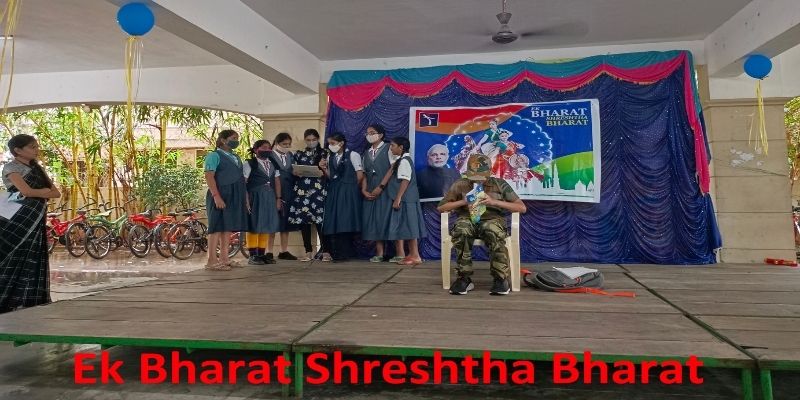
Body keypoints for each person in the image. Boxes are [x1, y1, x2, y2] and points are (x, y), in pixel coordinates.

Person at [437, 153, 526, 296]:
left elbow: (521, 208)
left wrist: (494, 202)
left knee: (492, 229)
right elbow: (441, 207)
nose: (477, 180)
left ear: (490, 172)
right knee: (462, 229)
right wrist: (463, 201)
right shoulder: (460, 184)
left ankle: (500, 278)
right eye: (474, 176)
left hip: (492, 219)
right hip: (467, 218)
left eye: (481, 176)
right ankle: (464, 278)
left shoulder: (499, 184)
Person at [0, 134, 61, 313]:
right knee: (12, 255)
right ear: (18, 150)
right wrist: (43, 191)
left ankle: (28, 299)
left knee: (32, 257)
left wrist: (38, 192)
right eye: (32, 147)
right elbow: (25, 191)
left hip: (36, 218)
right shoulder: (11, 167)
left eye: (36, 146)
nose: (37, 150)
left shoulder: (37, 169)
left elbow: (56, 193)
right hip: (17, 219)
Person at [204, 129, 248, 271]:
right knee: (216, 227)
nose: (236, 141)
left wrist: (244, 198)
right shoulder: (214, 156)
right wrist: (216, 196)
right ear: (223, 140)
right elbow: (209, 176)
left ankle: (224, 258)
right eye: (233, 138)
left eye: (237, 138)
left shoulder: (236, 157)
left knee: (227, 227)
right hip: (220, 194)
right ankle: (211, 261)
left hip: (234, 195)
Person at [287, 129, 331, 262]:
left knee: (320, 221)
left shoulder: (325, 153)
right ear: (305, 140)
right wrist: (295, 172)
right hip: (302, 191)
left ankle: (325, 251)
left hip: (319, 191)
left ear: (318, 139)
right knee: (304, 221)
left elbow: (330, 171)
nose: (311, 142)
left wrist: (323, 169)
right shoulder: (299, 154)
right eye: (308, 140)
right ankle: (308, 251)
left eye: (314, 140)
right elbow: (293, 169)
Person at [319, 132, 363, 262]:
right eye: (329, 143)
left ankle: (345, 252)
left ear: (341, 143)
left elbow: (360, 175)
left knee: (346, 220)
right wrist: (323, 169)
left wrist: (351, 188)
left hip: (348, 191)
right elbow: (331, 176)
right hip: (334, 191)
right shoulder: (330, 157)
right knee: (334, 220)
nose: (330, 146)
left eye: (333, 143)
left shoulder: (353, 155)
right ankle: (336, 251)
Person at [360, 124, 402, 263]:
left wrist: (381, 186)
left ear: (381, 135)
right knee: (375, 221)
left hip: (387, 190)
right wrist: (364, 190)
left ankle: (399, 253)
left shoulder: (389, 148)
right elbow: (364, 173)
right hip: (371, 191)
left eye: (372, 132)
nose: (369, 135)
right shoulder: (366, 152)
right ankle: (380, 253)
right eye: (367, 133)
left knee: (390, 220)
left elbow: (393, 168)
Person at [382, 137, 425, 265]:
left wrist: (398, 198)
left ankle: (415, 255)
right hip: (407, 199)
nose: (390, 148)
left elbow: (405, 180)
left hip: (406, 199)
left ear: (401, 147)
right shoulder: (401, 160)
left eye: (393, 145)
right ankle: (412, 254)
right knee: (407, 226)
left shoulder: (404, 161)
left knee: (410, 227)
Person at [243, 139, 281, 265]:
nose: (267, 150)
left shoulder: (273, 163)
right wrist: (246, 199)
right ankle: (253, 255)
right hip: (255, 197)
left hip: (269, 197)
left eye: (269, 148)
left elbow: (277, 181)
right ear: (255, 150)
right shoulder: (249, 164)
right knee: (254, 225)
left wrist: (278, 198)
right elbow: (243, 183)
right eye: (264, 147)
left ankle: (261, 254)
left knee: (265, 224)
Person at [268, 132, 299, 261]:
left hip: (288, 190)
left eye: (288, 144)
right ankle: (269, 251)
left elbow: (293, 170)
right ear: (277, 143)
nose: (286, 146)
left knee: (285, 221)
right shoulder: (269, 156)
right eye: (284, 144)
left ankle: (283, 250)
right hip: (273, 191)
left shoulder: (290, 155)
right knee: (272, 221)